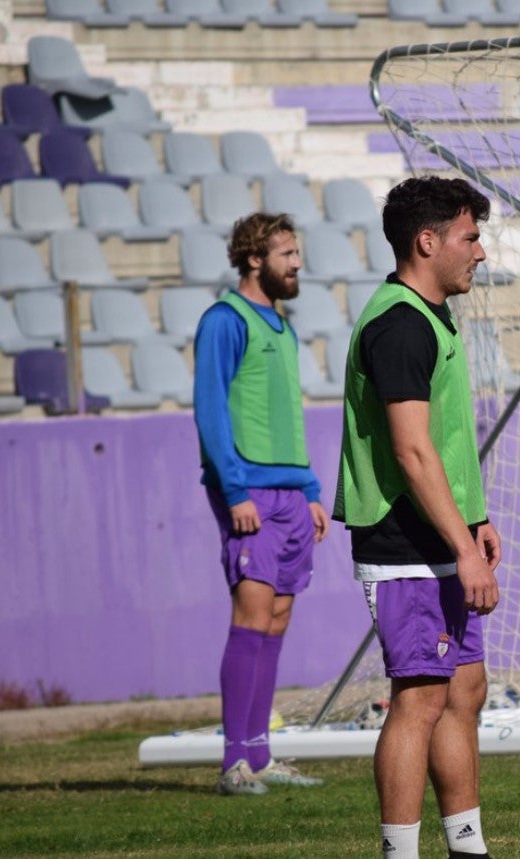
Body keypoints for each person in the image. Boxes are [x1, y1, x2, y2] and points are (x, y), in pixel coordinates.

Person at [333, 176, 501, 859]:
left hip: (443, 535)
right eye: (470, 237)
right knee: (421, 698)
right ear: (427, 242)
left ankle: (468, 846)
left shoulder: (429, 317)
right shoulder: (399, 325)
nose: (480, 252)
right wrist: (462, 547)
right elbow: (410, 450)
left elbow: (445, 442)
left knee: (464, 690)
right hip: (405, 542)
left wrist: (475, 518)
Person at [193, 211, 331, 796]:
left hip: (291, 494)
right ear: (255, 259)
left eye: (297, 253)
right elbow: (210, 410)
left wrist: (310, 491)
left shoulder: (282, 325)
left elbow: (286, 416)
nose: (298, 263)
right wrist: (234, 491)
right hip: (247, 492)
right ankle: (234, 764)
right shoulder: (224, 321)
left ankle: (260, 755)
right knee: (250, 617)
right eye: (287, 254)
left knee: (276, 617)